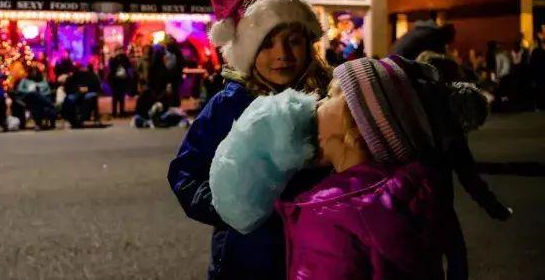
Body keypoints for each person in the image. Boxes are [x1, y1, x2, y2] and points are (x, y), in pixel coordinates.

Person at [211, 56, 508, 280]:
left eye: (331, 94)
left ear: (357, 127)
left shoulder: (328, 217)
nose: (316, 103)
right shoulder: (407, 195)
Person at [167, 0, 331, 280]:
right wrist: (228, 206)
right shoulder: (227, 106)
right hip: (244, 257)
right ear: (247, 50)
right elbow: (185, 173)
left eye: (292, 41)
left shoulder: (324, 102)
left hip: (316, 253)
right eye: (267, 44)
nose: (282, 54)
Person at [63, 63, 102, 128]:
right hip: (77, 92)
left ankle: (82, 118)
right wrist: (77, 89)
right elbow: (70, 86)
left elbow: (96, 87)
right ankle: (73, 119)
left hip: (88, 92)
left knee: (86, 99)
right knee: (70, 99)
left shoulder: (92, 75)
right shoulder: (75, 76)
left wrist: (87, 89)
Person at [107, 46, 132, 117]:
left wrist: (123, 57)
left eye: (120, 50)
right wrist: (115, 57)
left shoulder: (125, 58)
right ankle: (114, 113)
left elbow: (128, 66)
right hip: (115, 80)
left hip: (123, 80)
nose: (119, 51)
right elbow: (111, 67)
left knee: (122, 97)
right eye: (118, 50)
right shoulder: (113, 59)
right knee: (115, 97)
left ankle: (122, 112)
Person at [531, 36, 545, 110]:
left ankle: (539, 105)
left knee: (538, 90)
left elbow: (532, 63)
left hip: (537, 72)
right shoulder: (542, 51)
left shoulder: (535, 51)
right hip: (542, 72)